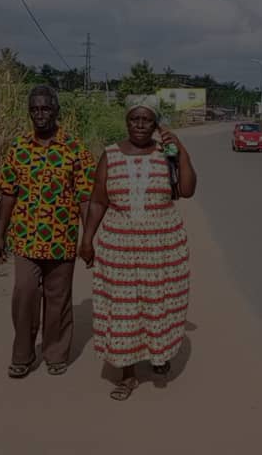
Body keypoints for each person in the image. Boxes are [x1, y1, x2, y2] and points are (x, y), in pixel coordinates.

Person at [78, 95, 197, 400]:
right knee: (124, 311)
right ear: (127, 121)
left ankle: (160, 354)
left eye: (147, 119)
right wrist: (87, 239)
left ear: (156, 123)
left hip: (163, 246)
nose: (140, 125)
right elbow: (98, 201)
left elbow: (187, 189)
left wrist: (181, 150)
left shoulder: (167, 153)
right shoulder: (110, 155)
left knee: (161, 304)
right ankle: (127, 374)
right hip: (120, 248)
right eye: (135, 119)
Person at [0, 85, 95, 379]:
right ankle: (23, 355)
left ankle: (55, 353)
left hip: (61, 239)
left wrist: (88, 239)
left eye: (45, 109)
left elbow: (86, 196)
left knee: (58, 299)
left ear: (56, 111)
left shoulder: (74, 148)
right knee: (24, 293)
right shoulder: (19, 147)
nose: (40, 115)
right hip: (25, 238)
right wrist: (0, 232)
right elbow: (8, 192)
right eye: (35, 109)